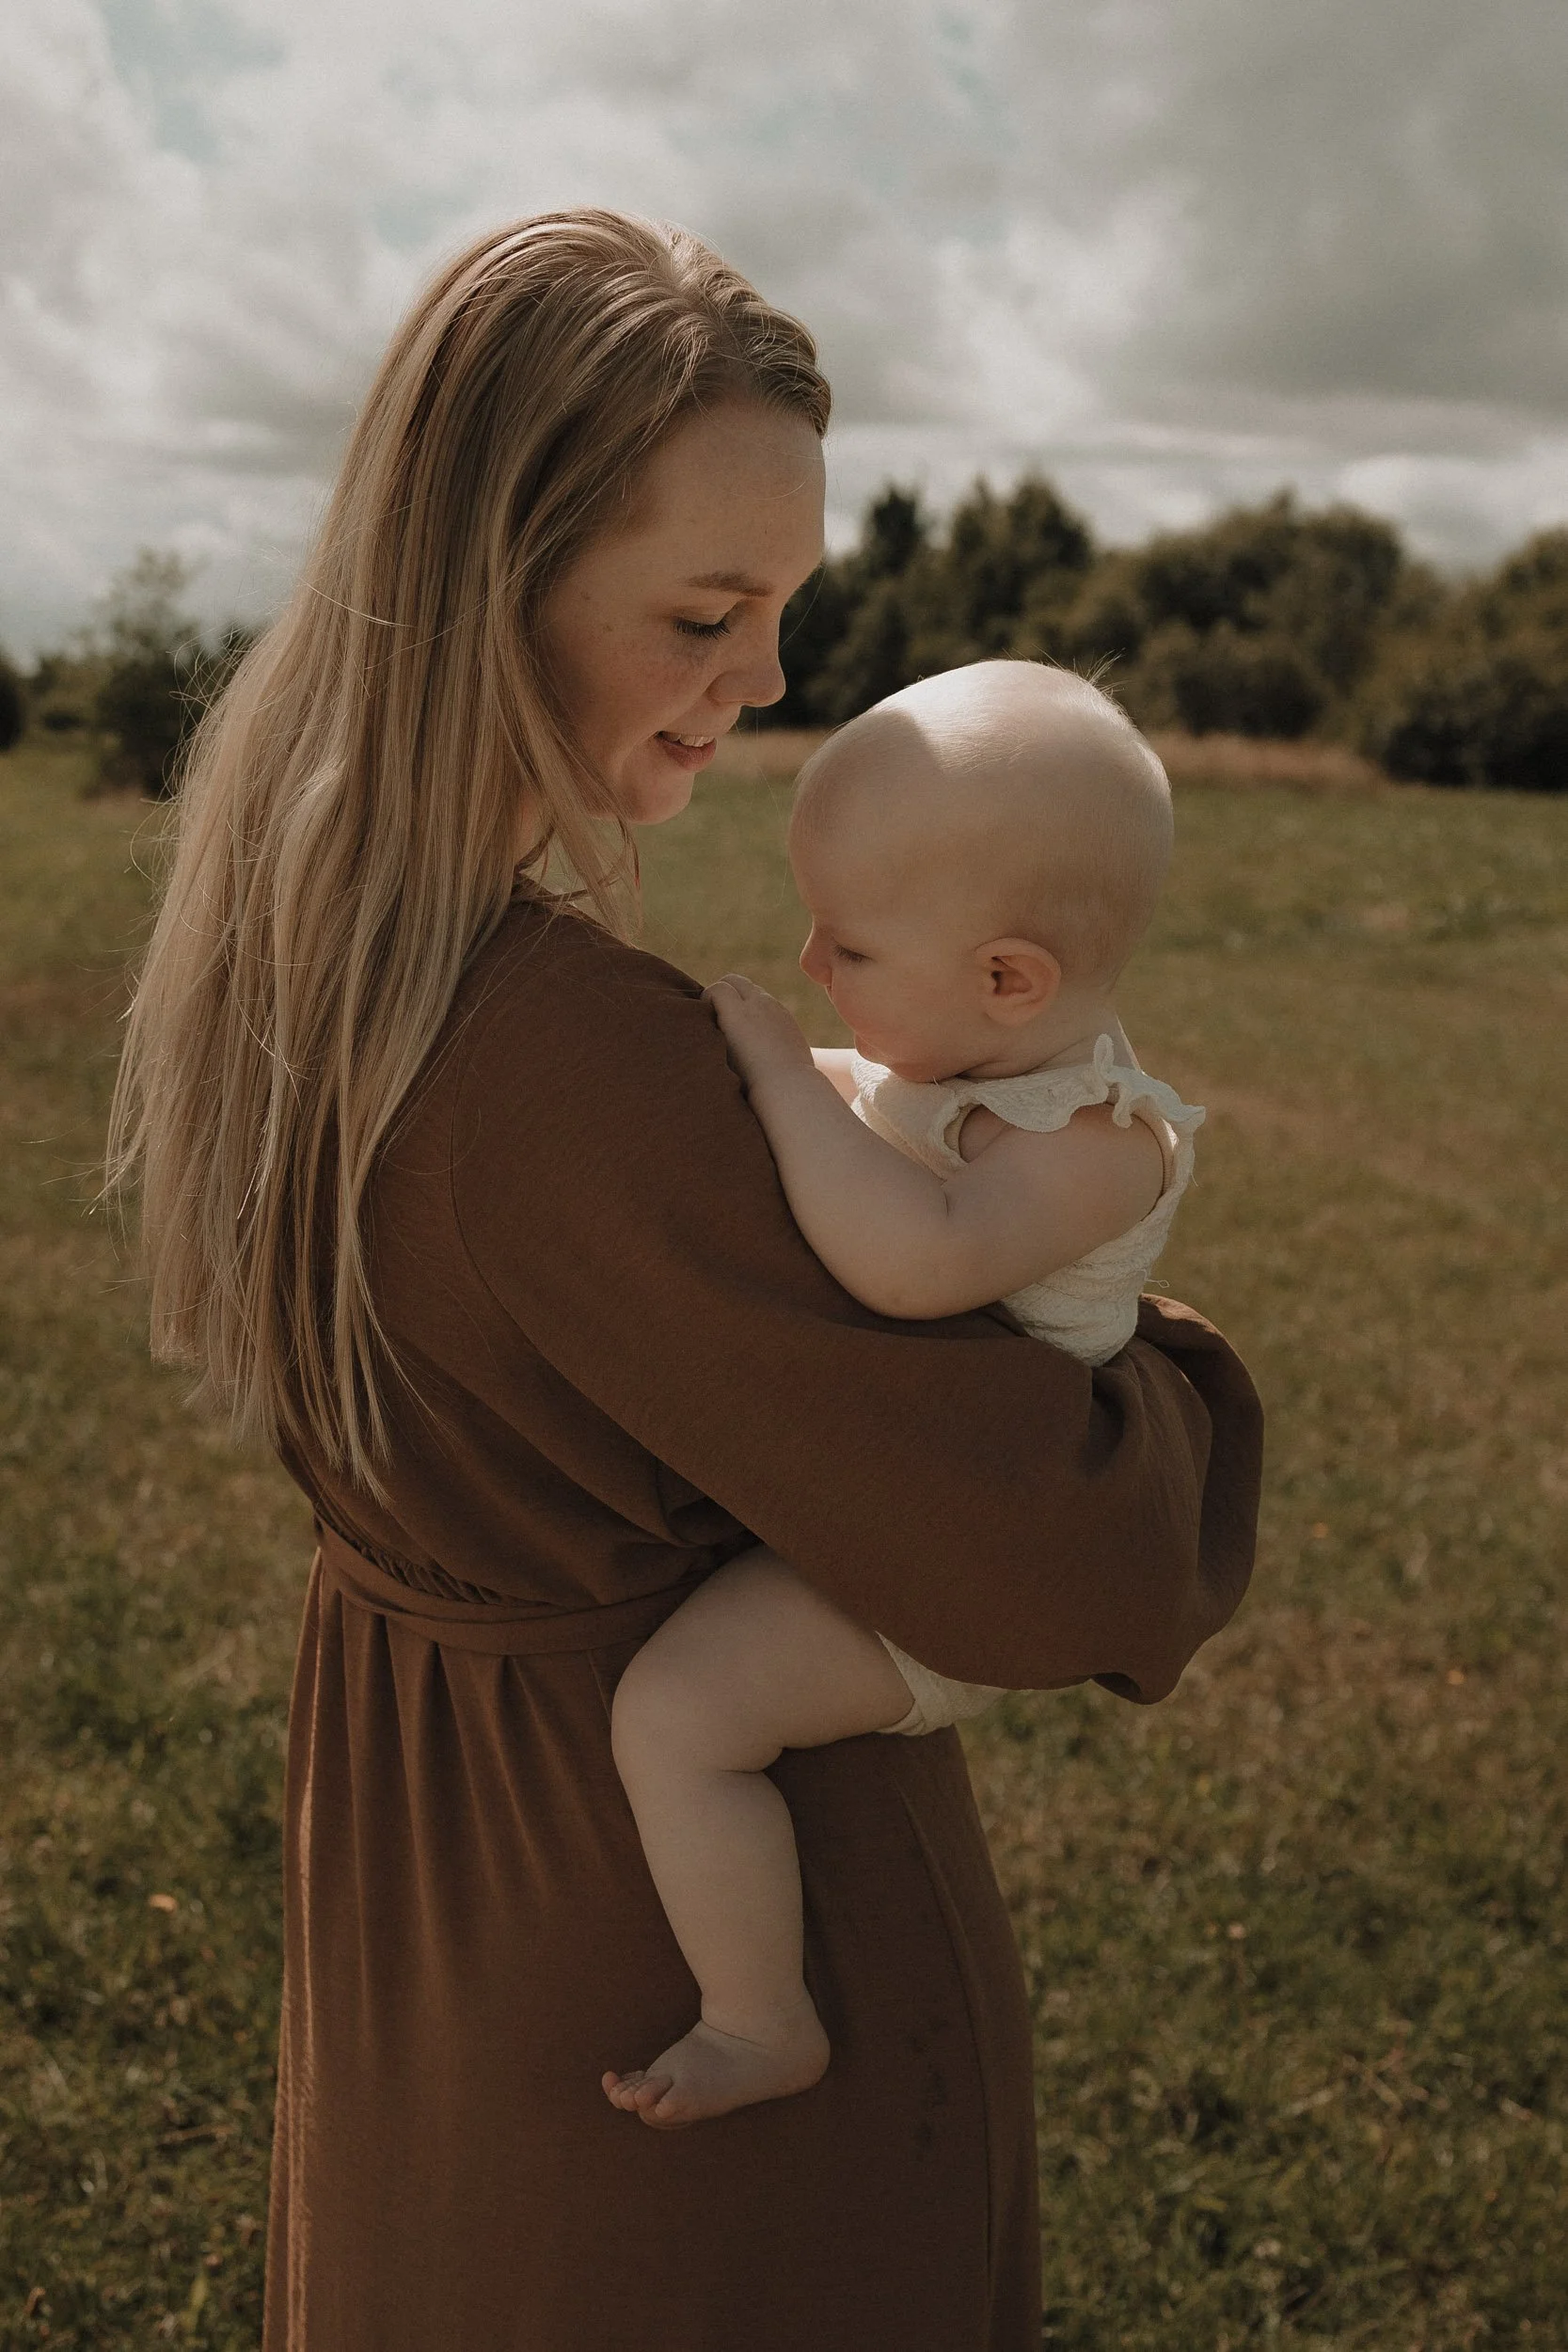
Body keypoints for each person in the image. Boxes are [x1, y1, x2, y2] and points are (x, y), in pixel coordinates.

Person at [108, 210, 1262, 2352]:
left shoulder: (301, 947)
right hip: (664, 1952)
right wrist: (1171, 1392)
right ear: (490, 586)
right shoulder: (568, 1063)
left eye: (783, 609)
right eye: (704, 614)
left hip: (420, 1858)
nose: (767, 680)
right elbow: (1057, 1558)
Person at [603, 659, 1209, 2129]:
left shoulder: (1093, 1142)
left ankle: (759, 2020)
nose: (811, 963)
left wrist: (778, 1077)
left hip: (967, 1551)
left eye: (853, 946)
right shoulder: (963, 1056)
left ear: (1008, 980)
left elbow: (914, 1260)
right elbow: (870, 1115)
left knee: (677, 1716)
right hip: (901, 1490)